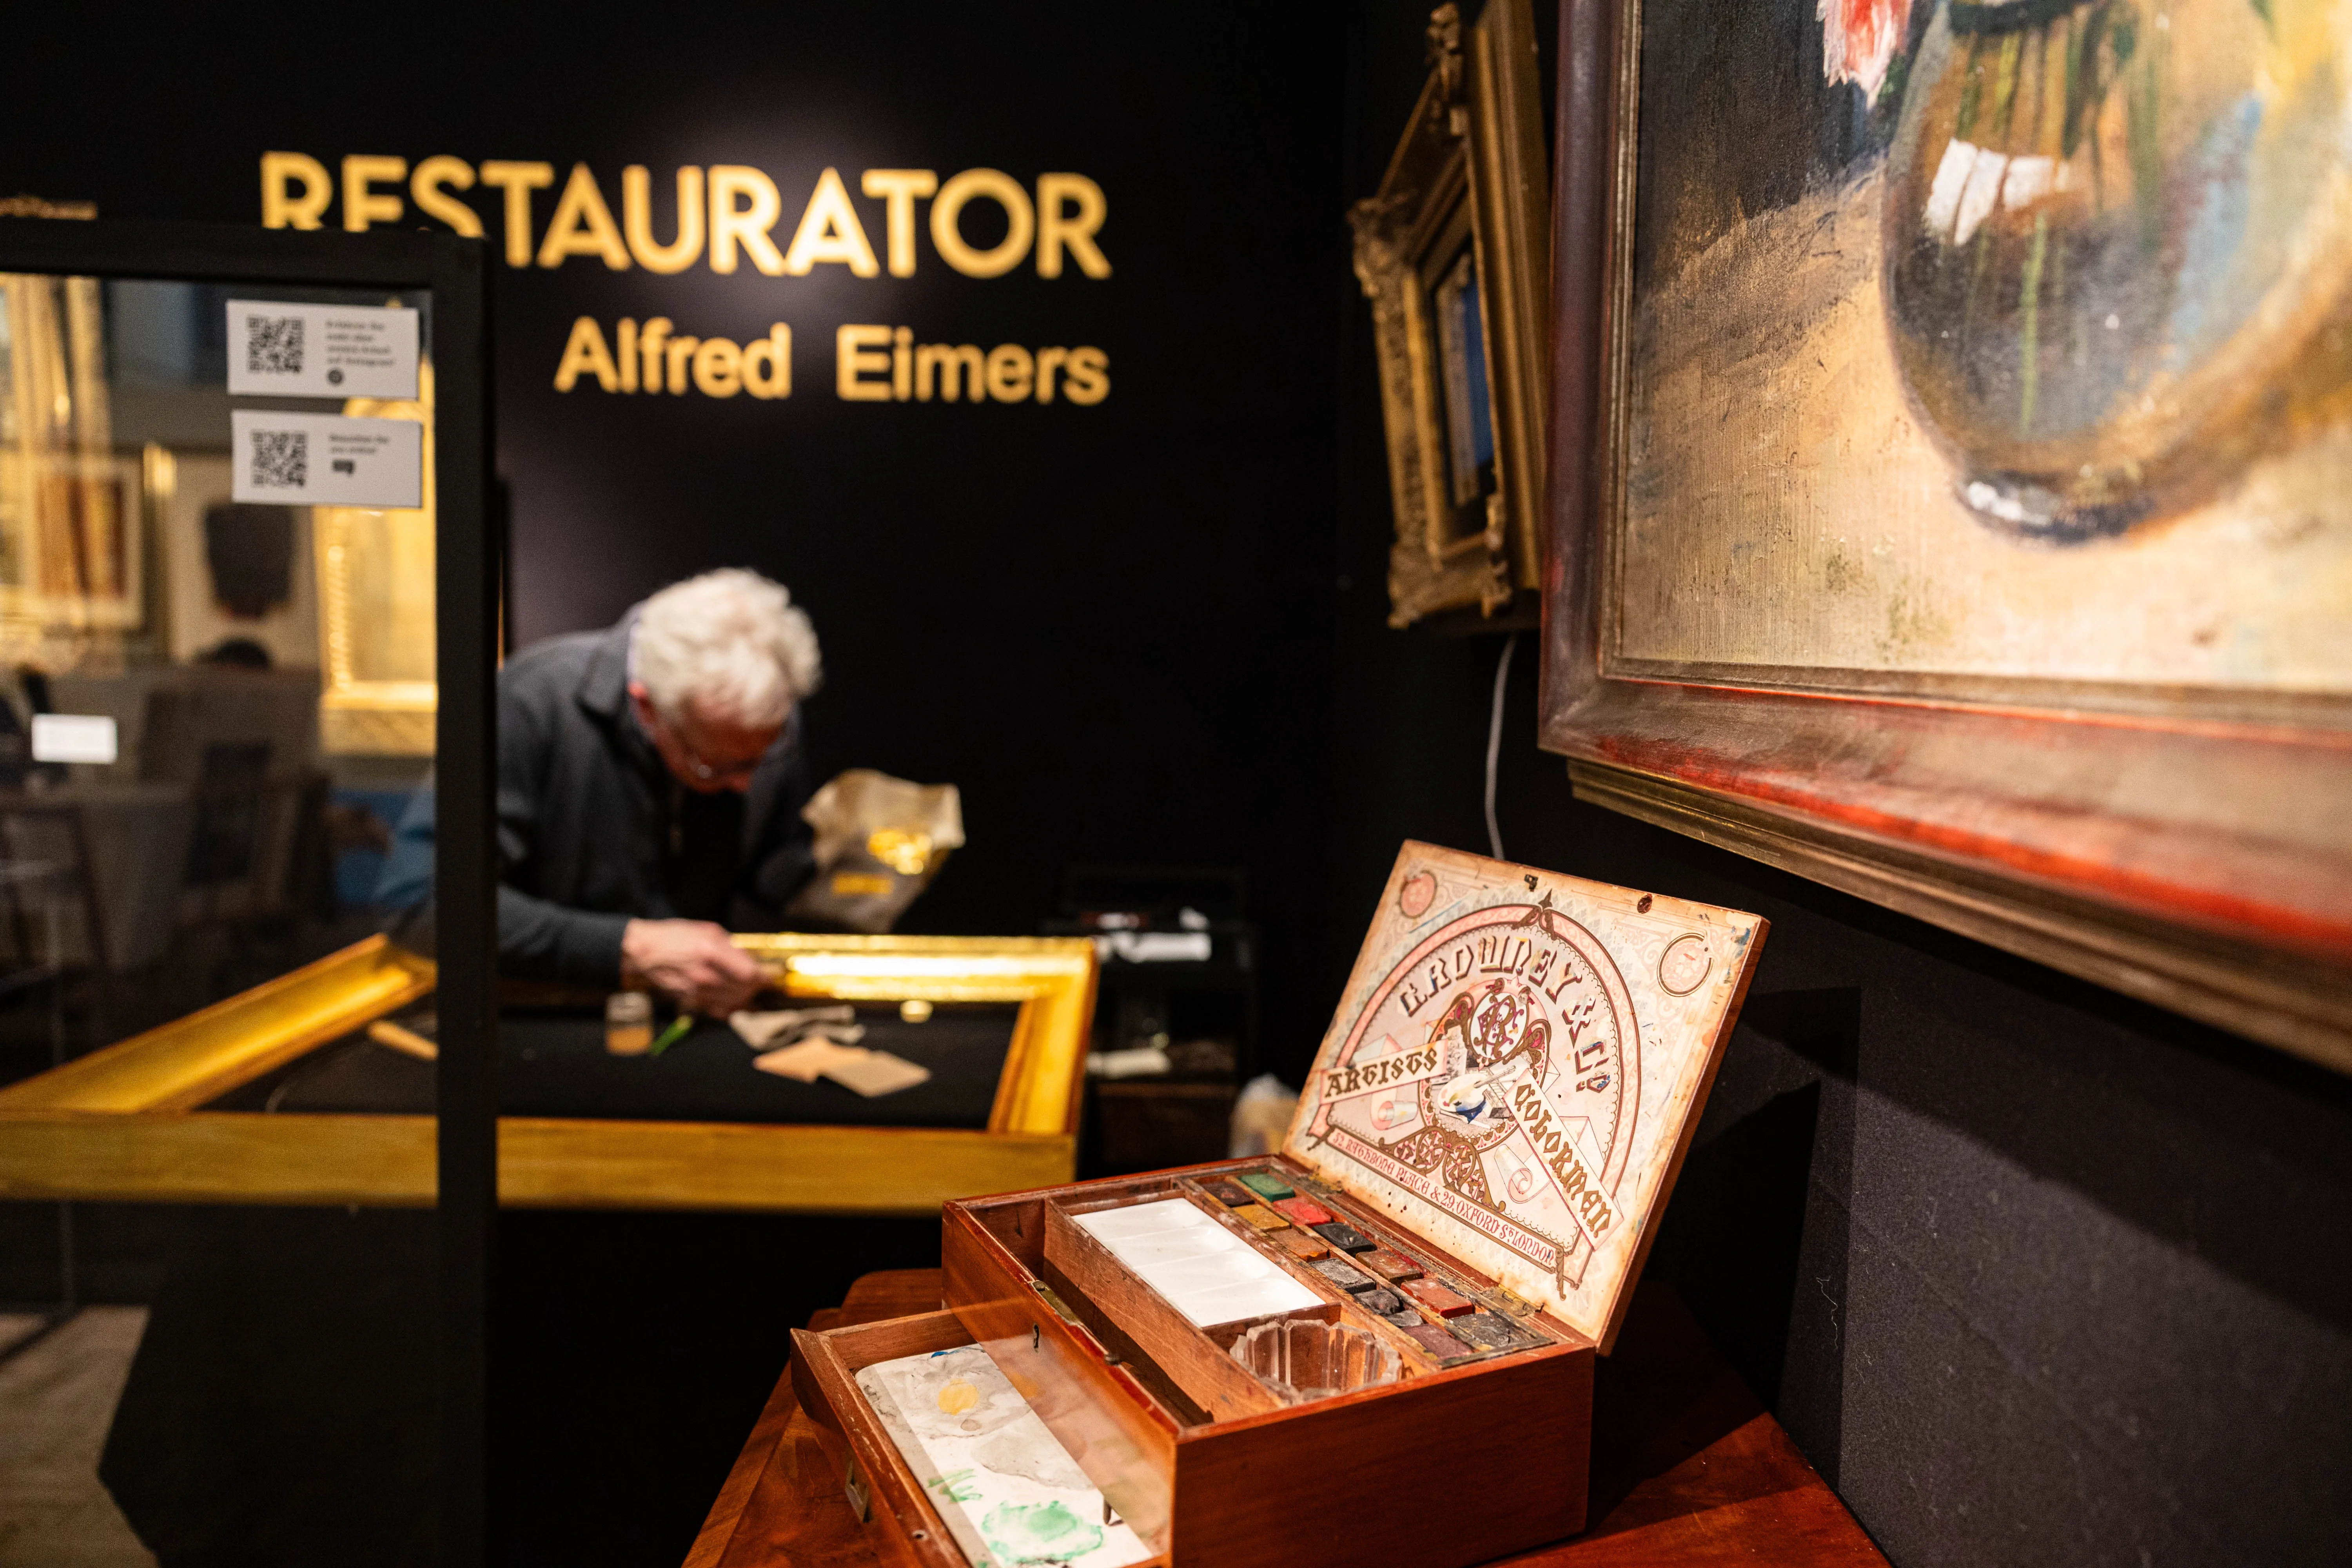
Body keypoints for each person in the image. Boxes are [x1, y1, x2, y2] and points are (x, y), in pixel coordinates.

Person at [497, 567, 822, 1014]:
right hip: (550, 1027)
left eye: (760, 757)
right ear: (648, 708)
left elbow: (774, 876)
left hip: (707, 1023)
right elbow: (425, 905)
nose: (746, 783)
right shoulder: (529, 701)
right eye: (715, 766)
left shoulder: (756, 713)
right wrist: (629, 946)